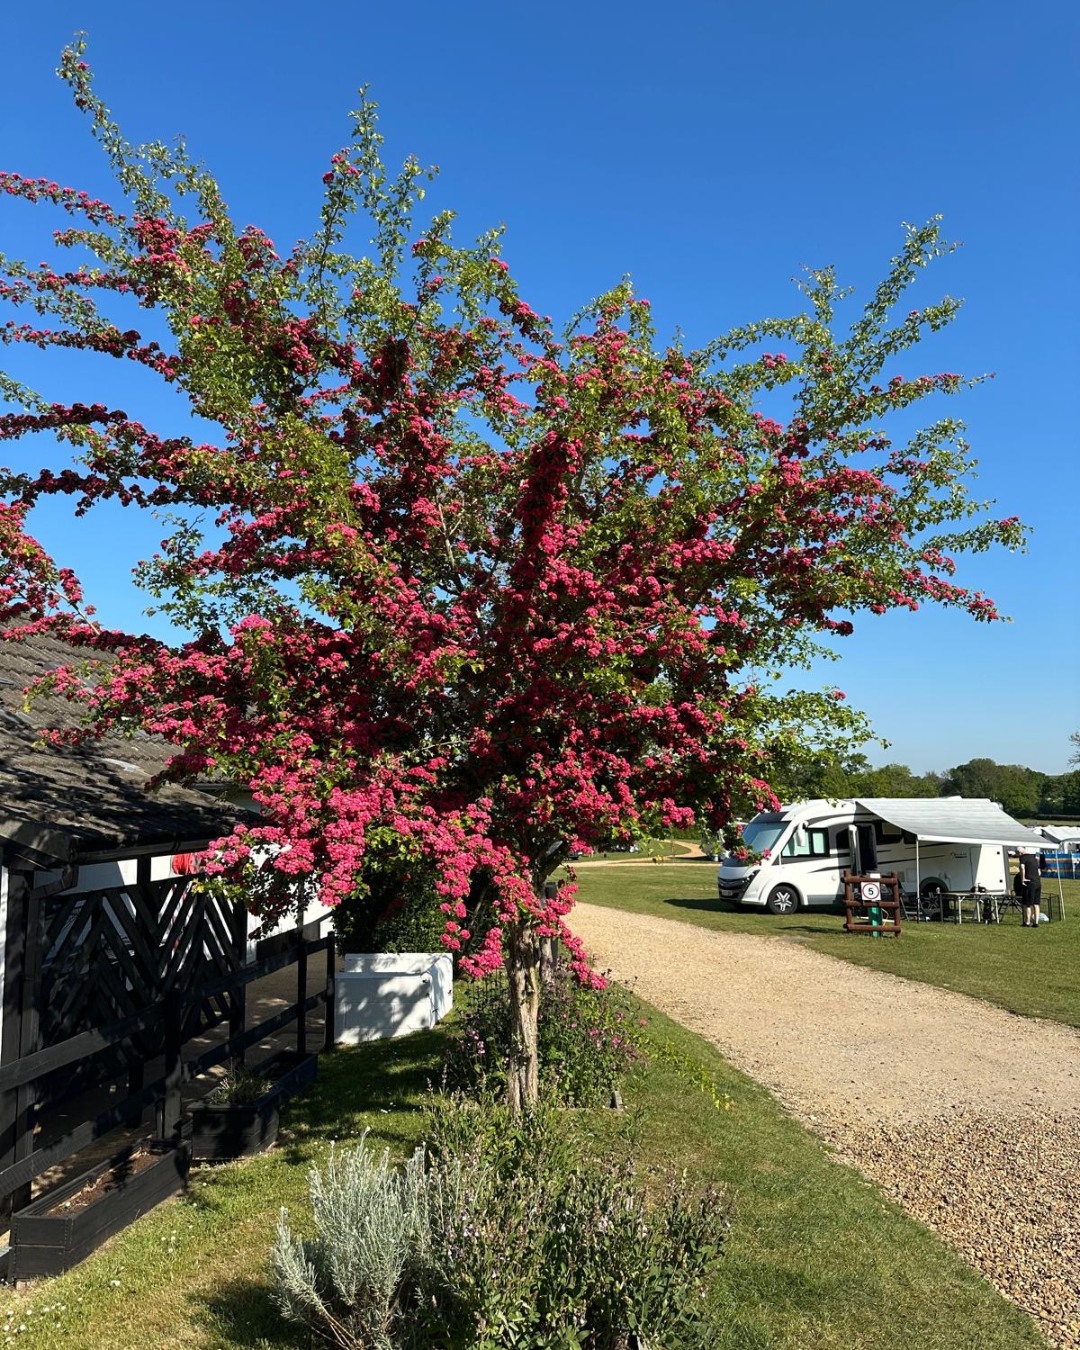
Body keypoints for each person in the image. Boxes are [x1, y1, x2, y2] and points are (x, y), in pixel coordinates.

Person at [1019, 849, 1042, 927]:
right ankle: (1036, 923)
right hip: (1038, 882)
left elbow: (1022, 867)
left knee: (1027, 904)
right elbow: (1039, 872)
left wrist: (1023, 879)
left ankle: (1027, 922)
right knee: (1036, 904)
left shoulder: (1023, 858)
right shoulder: (1034, 857)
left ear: (1020, 852)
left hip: (1030, 882)